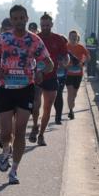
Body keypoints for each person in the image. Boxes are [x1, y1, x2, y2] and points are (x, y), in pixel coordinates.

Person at [0, 5, 53, 185]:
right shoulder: (4, 38)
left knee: (20, 131)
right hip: (4, 88)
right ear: (11, 20)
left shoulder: (35, 40)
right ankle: (6, 150)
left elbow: (49, 64)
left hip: (25, 88)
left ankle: (14, 170)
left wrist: (40, 71)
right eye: (15, 18)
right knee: (6, 132)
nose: (19, 21)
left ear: (26, 18)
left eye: (22, 18)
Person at [35, 13, 69, 146]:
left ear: (52, 25)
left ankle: (41, 135)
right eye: (43, 25)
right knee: (36, 106)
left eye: (47, 25)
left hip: (52, 77)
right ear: (40, 25)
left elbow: (65, 56)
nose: (45, 28)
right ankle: (35, 126)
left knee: (48, 108)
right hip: (36, 77)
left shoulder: (58, 39)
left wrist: (65, 62)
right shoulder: (35, 38)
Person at [65, 29, 89, 119]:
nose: (73, 38)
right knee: (70, 93)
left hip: (78, 75)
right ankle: (71, 111)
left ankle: (71, 107)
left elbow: (87, 57)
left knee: (74, 94)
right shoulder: (65, 47)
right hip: (68, 74)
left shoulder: (81, 47)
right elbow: (61, 57)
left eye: (75, 37)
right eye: (71, 37)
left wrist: (82, 62)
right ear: (69, 37)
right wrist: (66, 63)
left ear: (77, 38)